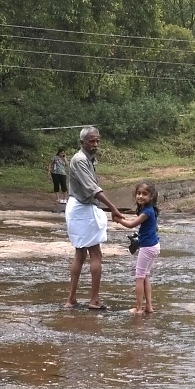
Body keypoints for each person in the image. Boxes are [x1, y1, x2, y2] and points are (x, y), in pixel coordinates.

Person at [65, 126, 123, 310]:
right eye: (91, 141)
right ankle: (94, 300)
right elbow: (93, 189)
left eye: (97, 140)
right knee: (95, 254)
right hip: (82, 209)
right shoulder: (81, 160)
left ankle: (71, 299)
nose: (95, 144)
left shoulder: (87, 159)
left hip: (78, 208)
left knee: (80, 254)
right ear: (82, 142)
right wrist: (113, 208)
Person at [114, 181, 160, 314]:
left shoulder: (147, 212)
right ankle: (149, 307)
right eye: (138, 193)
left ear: (151, 196)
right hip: (154, 246)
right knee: (145, 275)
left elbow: (130, 225)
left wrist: (118, 220)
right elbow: (155, 227)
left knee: (139, 276)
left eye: (144, 194)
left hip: (147, 248)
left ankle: (139, 308)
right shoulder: (150, 210)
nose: (140, 196)